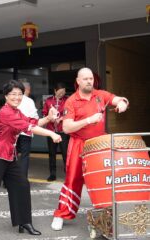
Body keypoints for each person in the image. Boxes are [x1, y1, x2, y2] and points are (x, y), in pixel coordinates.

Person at [0, 80, 62, 240]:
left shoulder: (16, 111)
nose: (17, 97)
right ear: (6, 96)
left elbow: (32, 122)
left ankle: (24, 222)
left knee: (21, 185)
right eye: (13, 94)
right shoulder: (6, 112)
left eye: (20, 94)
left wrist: (48, 117)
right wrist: (51, 134)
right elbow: (29, 128)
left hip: (9, 154)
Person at [51, 67, 129, 231]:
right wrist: (88, 120)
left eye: (91, 79)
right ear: (78, 81)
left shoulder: (100, 95)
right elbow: (66, 128)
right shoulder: (71, 100)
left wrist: (122, 104)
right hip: (79, 143)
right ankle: (61, 214)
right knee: (73, 180)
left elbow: (118, 99)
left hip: (100, 143)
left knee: (106, 179)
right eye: (85, 79)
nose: (89, 81)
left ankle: (108, 215)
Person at [42, 82, 69, 181]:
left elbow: (70, 113)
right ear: (55, 91)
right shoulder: (48, 101)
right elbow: (44, 113)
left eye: (64, 92)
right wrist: (50, 118)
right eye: (60, 92)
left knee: (65, 153)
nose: (62, 94)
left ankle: (68, 173)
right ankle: (52, 174)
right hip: (51, 131)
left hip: (63, 131)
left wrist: (61, 118)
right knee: (52, 153)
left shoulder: (67, 100)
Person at [16, 81, 39, 177]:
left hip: (14, 132)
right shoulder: (29, 101)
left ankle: (8, 179)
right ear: (27, 89)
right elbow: (35, 117)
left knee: (13, 155)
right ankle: (22, 179)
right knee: (24, 156)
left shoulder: (14, 99)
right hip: (26, 132)